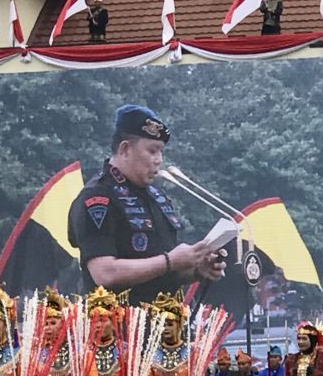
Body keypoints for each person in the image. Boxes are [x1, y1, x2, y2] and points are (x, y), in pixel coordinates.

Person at [67, 104, 225, 306]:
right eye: (152, 151)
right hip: (116, 321)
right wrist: (170, 261)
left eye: (161, 152)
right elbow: (104, 273)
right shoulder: (98, 197)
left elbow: (162, 272)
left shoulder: (155, 197)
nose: (159, 160)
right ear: (125, 149)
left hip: (165, 320)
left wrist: (196, 270)